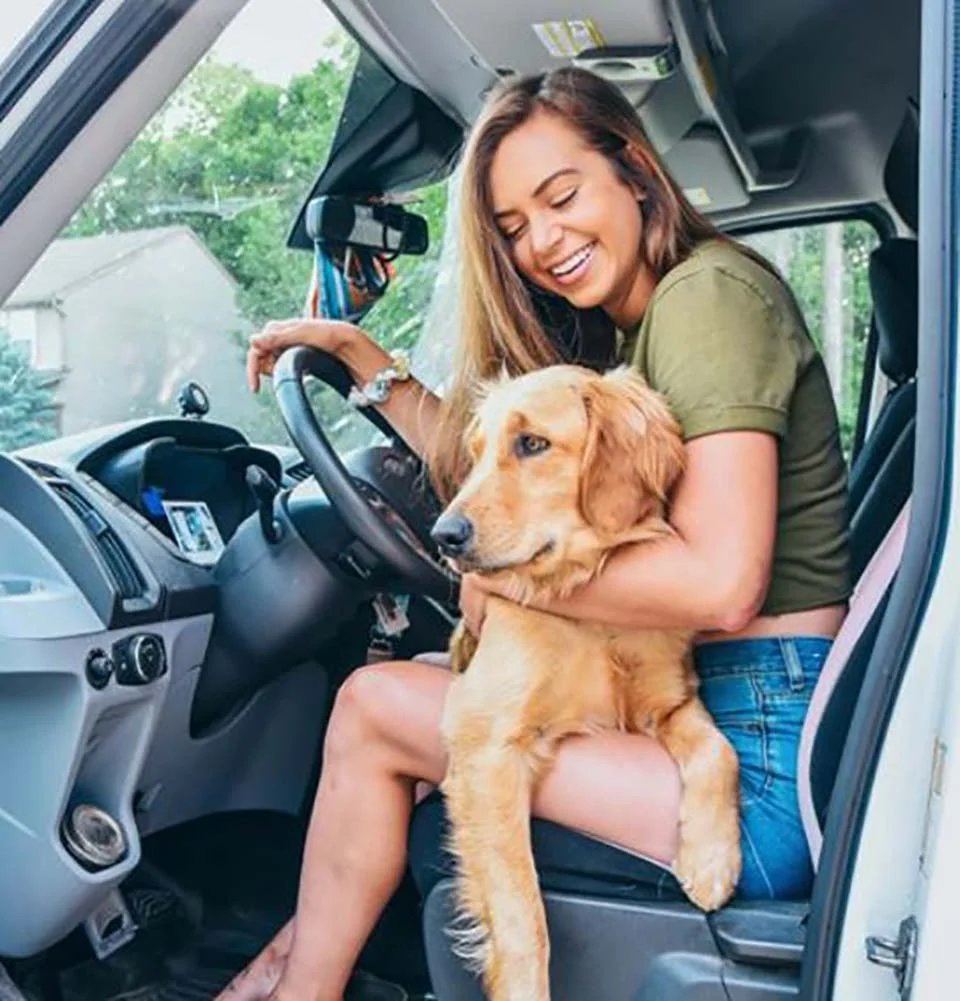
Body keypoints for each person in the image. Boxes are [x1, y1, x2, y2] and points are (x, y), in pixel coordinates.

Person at [218, 66, 850, 1001]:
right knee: (444, 685)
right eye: (513, 228)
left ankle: (300, 984)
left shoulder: (706, 300)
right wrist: (365, 363)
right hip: (732, 699)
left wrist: (504, 576)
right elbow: (507, 473)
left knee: (367, 704)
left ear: (634, 171)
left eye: (562, 197)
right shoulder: (645, 330)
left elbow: (721, 583)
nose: (542, 243)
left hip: (757, 753)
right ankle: (292, 961)